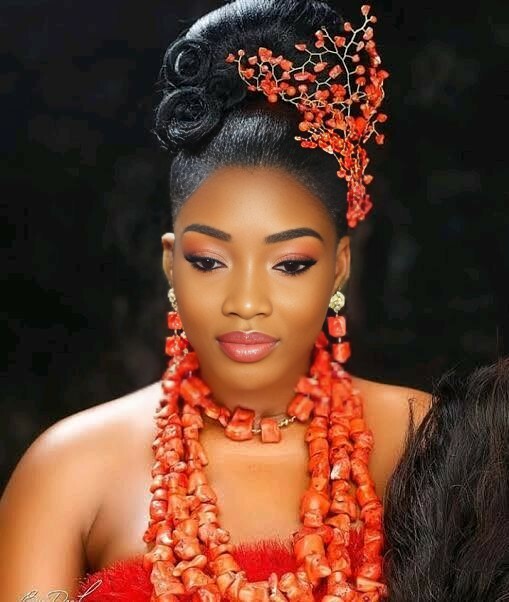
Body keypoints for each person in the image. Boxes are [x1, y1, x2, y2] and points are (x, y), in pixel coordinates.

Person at [0, 1, 506, 600]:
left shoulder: (433, 443)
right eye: (208, 261)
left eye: (290, 264)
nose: (246, 302)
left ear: (339, 266)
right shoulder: (70, 468)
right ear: (170, 262)